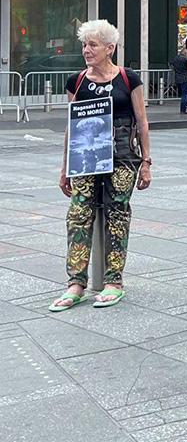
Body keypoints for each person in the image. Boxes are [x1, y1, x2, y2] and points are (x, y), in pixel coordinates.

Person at [50, 20, 152, 312]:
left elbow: (142, 121)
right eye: (84, 45)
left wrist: (146, 161)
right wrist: (65, 167)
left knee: (117, 214)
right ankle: (75, 283)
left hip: (122, 156)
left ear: (110, 48)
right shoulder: (77, 81)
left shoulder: (128, 78)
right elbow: (71, 126)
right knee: (78, 214)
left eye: (93, 45)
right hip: (86, 157)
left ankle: (113, 282)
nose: (86, 50)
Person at [170, 47, 187, 113]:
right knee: (185, 94)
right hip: (186, 78)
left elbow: (172, 66)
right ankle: (183, 109)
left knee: (182, 94)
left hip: (177, 79)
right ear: (185, 53)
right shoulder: (186, 59)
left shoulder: (176, 58)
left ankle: (186, 106)